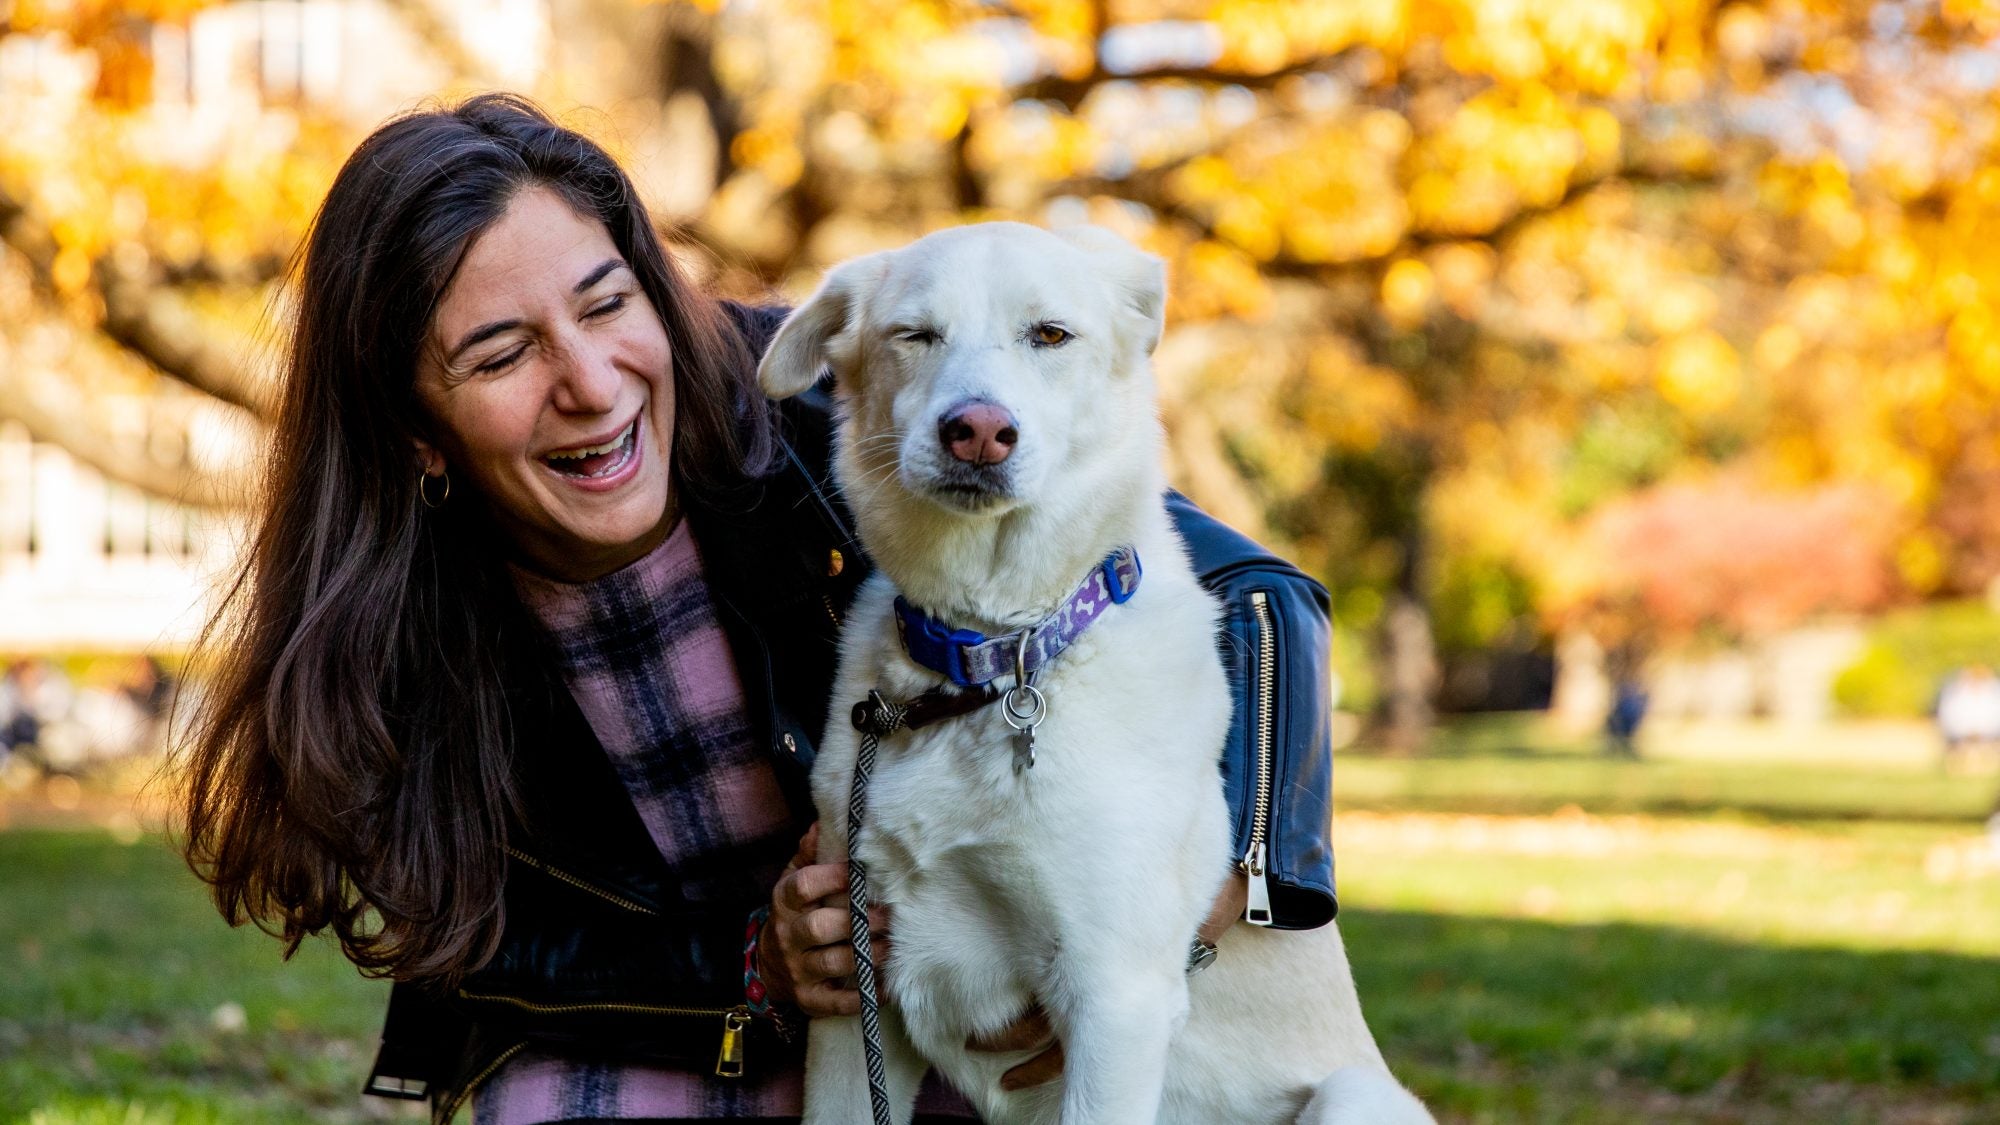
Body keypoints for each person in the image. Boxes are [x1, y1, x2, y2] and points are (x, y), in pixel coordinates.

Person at [174, 94, 1342, 1124]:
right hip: (660, 1022)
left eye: (603, 303)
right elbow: (483, 956)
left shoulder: (830, 410)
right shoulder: (393, 624)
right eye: (500, 356)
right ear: (416, 428)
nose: (589, 383)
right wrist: (754, 964)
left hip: (915, 1004)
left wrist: (1212, 886)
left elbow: (1257, 599)